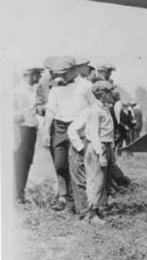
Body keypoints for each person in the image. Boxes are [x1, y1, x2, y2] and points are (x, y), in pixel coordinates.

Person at [43, 56, 95, 211]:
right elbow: (51, 109)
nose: (61, 76)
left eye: (64, 73)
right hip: (59, 128)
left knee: (77, 165)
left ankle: (78, 202)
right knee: (60, 164)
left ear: (73, 70)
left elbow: (94, 107)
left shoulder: (86, 86)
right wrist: (46, 131)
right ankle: (65, 195)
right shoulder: (56, 87)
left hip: (78, 128)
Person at [67, 81, 118, 225]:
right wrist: (100, 153)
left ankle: (96, 212)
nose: (112, 95)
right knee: (95, 182)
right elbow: (94, 134)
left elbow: (108, 133)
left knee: (102, 182)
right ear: (102, 95)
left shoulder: (104, 110)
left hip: (105, 146)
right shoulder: (94, 111)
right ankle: (90, 215)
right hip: (98, 147)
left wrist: (110, 152)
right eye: (109, 93)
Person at [13, 66, 45, 203]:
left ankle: (19, 194)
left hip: (31, 130)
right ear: (31, 74)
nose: (39, 77)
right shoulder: (18, 90)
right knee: (20, 162)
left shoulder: (35, 90)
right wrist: (17, 116)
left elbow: (37, 110)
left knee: (26, 162)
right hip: (20, 130)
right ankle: (17, 195)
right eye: (37, 74)